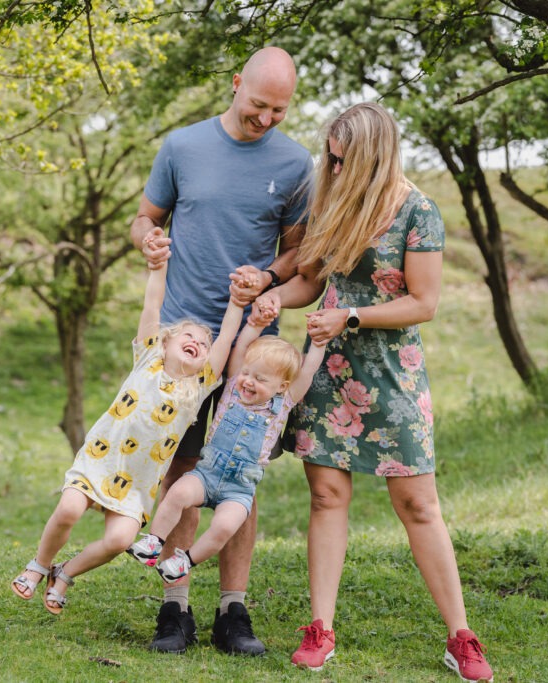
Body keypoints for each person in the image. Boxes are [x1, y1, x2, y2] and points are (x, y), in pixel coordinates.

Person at [254, 102, 494, 682]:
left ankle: (461, 637)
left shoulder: (418, 211)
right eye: (329, 157)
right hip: (326, 371)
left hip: (392, 375)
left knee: (418, 505)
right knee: (327, 499)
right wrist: (272, 297)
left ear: (374, 155)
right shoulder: (330, 199)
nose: (332, 168)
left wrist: (351, 318)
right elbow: (312, 280)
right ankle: (321, 629)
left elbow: (423, 302)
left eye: (343, 159)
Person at [129, 45, 314, 655]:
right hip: (182, 343)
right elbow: (144, 220)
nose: (266, 119)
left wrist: (266, 278)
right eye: (259, 105)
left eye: (279, 111)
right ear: (236, 84)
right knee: (181, 469)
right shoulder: (182, 147)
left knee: (240, 475)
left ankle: (233, 612)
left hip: (253, 346)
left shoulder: (295, 164)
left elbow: (298, 254)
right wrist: (152, 241)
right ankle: (174, 609)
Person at [9, 251, 242, 617]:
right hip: (100, 460)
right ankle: (40, 564)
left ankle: (65, 573)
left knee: (119, 541)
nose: (198, 342)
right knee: (69, 510)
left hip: (137, 484)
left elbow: (227, 336)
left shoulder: (199, 387)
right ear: (166, 342)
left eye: (203, 345)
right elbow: (153, 302)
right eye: (189, 336)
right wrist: (158, 268)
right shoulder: (148, 357)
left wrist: (237, 303)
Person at [126, 299, 326, 588]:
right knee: (177, 493)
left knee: (224, 528)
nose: (247, 381)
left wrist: (318, 343)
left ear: (281, 387)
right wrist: (254, 325)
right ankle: (154, 543)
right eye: (246, 373)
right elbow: (242, 348)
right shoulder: (232, 389)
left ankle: (186, 561)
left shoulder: (283, 404)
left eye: (260, 378)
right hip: (206, 474)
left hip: (239, 489)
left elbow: (306, 373)